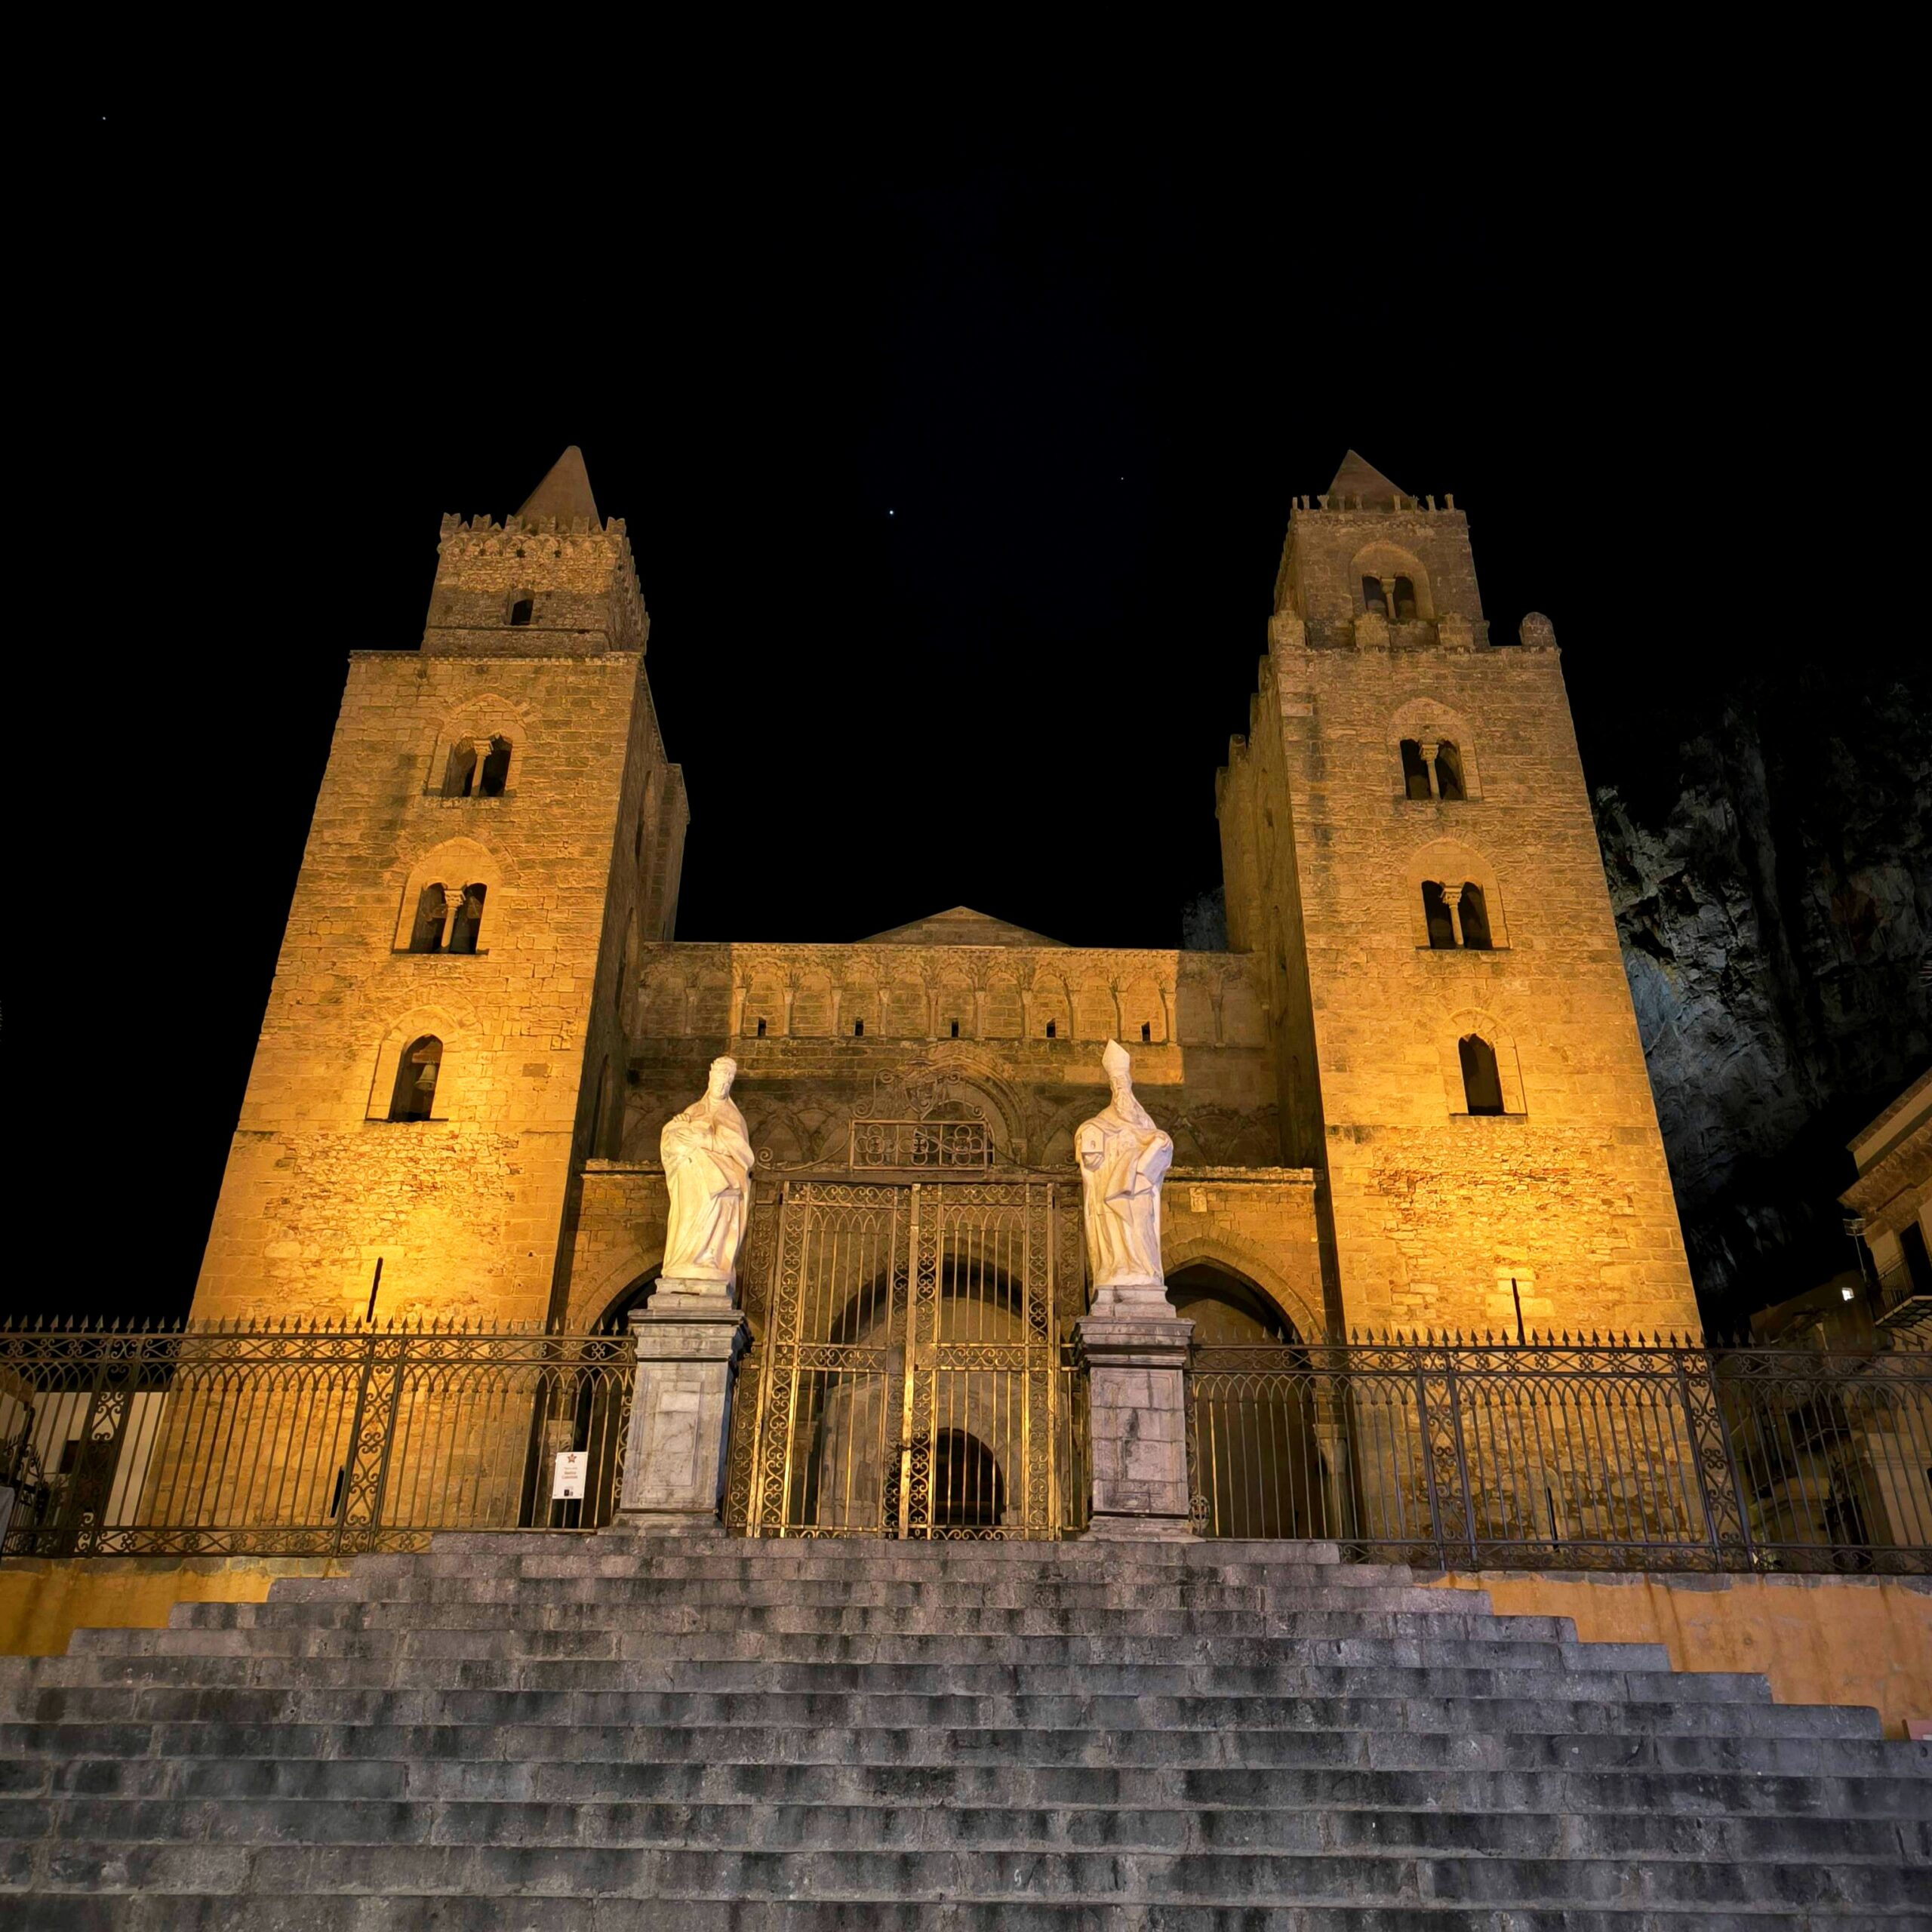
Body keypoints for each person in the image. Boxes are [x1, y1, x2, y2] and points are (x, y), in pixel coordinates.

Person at [1075, 1040, 1173, 1291]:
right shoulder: (1103, 1119)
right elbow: (1089, 1134)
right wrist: (1088, 1138)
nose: (1121, 1088)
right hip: (1111, 1187)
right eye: (1116, 1084)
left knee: (1140, 1226)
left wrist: (1161, 1141)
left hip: (1139, 1188)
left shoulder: (1144, 1120)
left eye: (1124, 1083)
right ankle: (1118, 1266)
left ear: (1130, 1084)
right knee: (1114, 1229)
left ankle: (1143, 1269)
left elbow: (1160, 1146)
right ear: (1111, 1088)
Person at [660, 1057, 756, 1288]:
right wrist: (679, 1125)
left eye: (727, 1081)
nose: (722, 1085)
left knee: (718, 1215)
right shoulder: (694, 1110)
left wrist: (708, 1140)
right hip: (692, 1183)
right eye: (719, 1079)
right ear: (710, 1078)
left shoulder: (733, 1116)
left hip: (721, 1185)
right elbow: (670, 1140)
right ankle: (685, 1260)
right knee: (688, 1220)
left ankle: (709, 1256)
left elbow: (744, 1155)